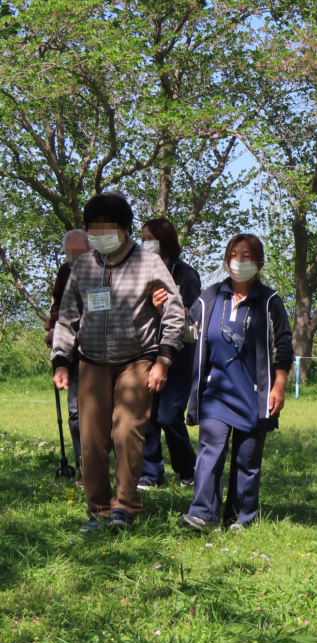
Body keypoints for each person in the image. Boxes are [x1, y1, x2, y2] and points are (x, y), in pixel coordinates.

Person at [50, 193, 186, 531]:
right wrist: (61, 362)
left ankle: (125, 506)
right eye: (92, 229)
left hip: (136, 359)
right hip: (91, 361)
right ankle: (98, 510)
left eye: (105, 229)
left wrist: (163, 360)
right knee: (92, 438)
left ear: (124, 229)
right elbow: (67, 318)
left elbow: (175, 313)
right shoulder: (82, 266)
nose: (98, 235)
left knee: (127, 432)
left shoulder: (148, 264)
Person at [178, 233, 293, 532]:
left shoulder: (270, 302)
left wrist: (278, 385)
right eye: (234, 255)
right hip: (215, 391)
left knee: (247, 459)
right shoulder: (210, 297)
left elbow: (284, 346)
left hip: (255, 394)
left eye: (246, 256)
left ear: (259, 263)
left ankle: (241, 518)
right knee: (210, 449)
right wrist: (165, 309)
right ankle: (204, 514)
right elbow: (188, 332)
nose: (238, 262)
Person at [137, 218, 201, 489]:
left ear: (164, 240)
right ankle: (150, 473)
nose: (144, 243)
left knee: (168, 415)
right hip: (145, 355)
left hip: (179, 360)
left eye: (149, 237)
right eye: (142, 238)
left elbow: (188, 320)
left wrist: (162, 309)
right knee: (148, 416)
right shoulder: (139, 271)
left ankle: (188, 469)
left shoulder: (186, 275)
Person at [44, 229, 90, 479]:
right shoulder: (65, 271)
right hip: (69, 348)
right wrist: (53, 327)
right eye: (69, 252)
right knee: (74, 412)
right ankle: (83, 464)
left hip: (96, 348)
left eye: (78, 251)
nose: (73, 257)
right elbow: (58, 305)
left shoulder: (103, 269)